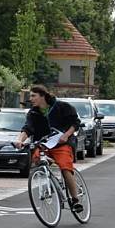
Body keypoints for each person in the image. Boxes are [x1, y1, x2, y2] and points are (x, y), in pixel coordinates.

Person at [14, 85, 83, 213]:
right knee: (37, 160)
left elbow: (75, 123)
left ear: (42, 96)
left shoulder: (61, 106)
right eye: (30, 96)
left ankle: (75, 200)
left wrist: (66, 135)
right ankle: (48, 178)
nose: (31, 99)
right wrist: (20, 140)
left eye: (33, 96)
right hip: (44, 144)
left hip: (61, 143)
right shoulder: (33, 112)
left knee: (65, 167)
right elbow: (28, 128)